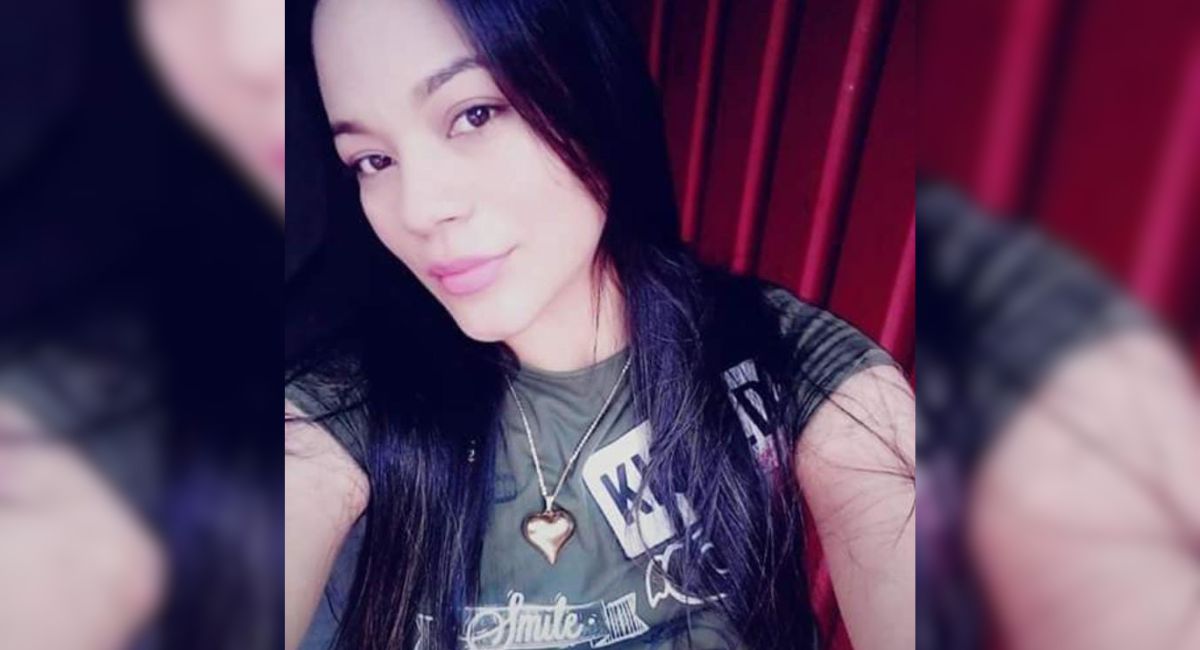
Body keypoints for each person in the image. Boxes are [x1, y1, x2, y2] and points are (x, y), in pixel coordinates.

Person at [285, 1, 915, 649]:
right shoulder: (342, 415)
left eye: (474, 114)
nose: (419, 210)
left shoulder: (784, 360)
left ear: (592, 84)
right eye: (372, 160)